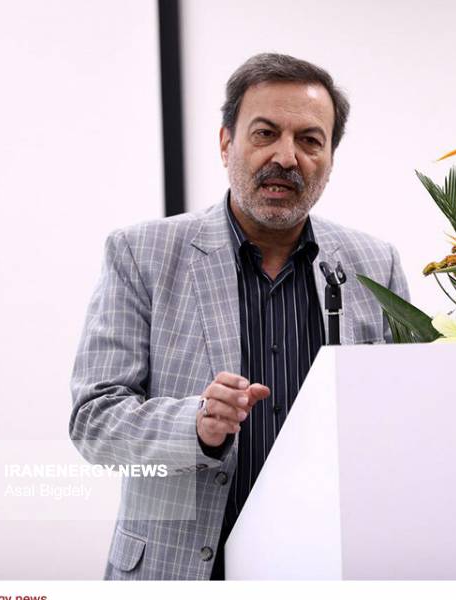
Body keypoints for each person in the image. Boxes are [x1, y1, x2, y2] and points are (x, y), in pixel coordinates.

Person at [69, 53, 410, 580]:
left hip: (326, 568)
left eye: (309, 140)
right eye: (265, 133)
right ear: (226, 142)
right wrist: (197, 425)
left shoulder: (374, 265)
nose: (286, 157)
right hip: (181, 571)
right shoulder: (142, 254)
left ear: (330, 158)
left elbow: (400, 421)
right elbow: (94, 421)